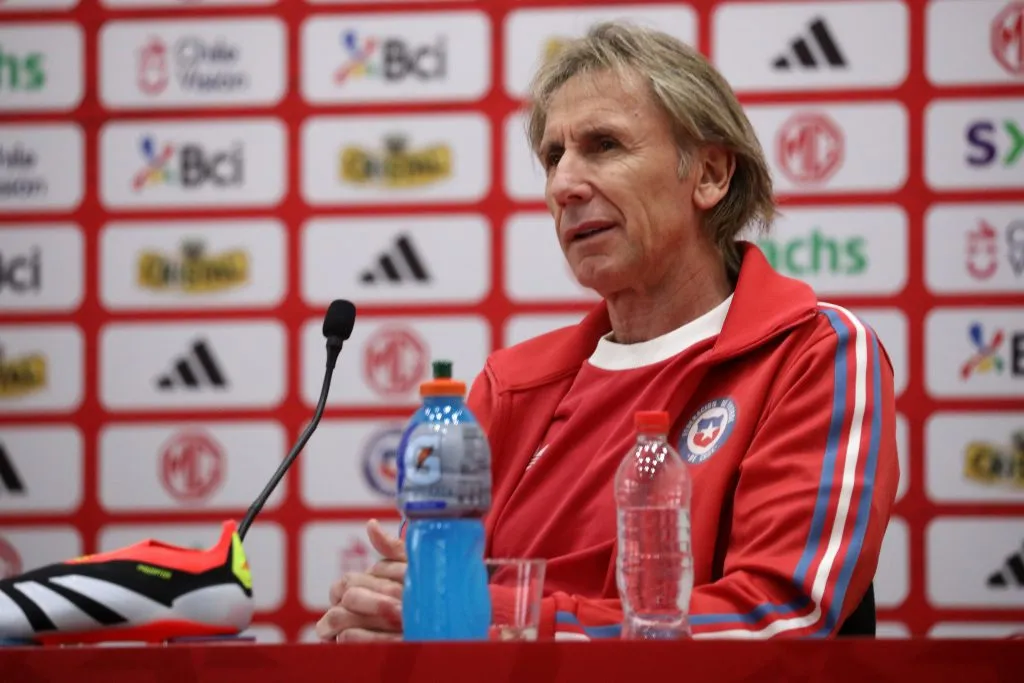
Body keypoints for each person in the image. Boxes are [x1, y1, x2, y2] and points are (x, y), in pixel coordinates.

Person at [316, 20, 900, 642]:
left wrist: (503, 624)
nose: (564, 185)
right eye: (552, 157)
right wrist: (384, 621)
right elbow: (431, 596)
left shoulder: (811, 353)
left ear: (709, 174)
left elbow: (780, 617)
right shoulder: (510, 387)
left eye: (603, 146)